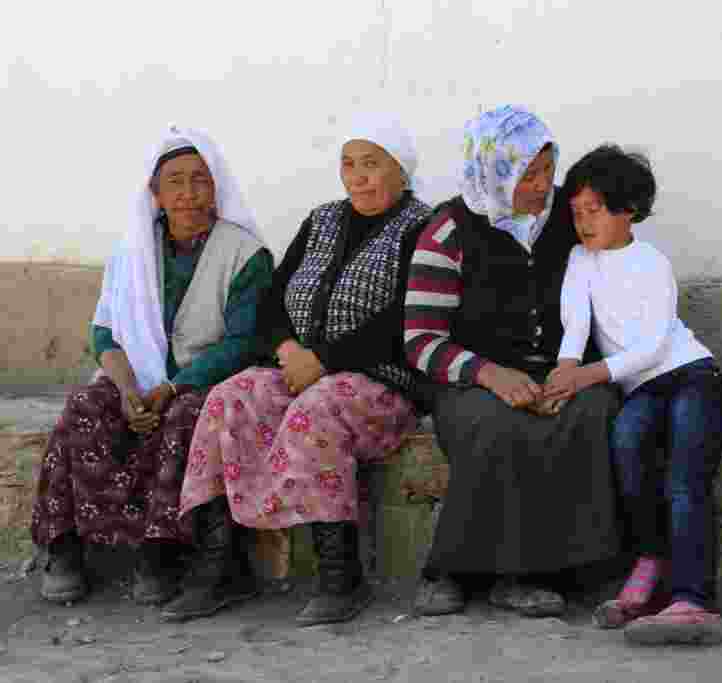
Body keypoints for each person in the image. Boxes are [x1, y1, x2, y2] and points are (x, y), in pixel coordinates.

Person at [169, 115, 433, 626]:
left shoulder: (424, 227)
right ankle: (221, 566)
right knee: (228, 399)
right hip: (300, 367)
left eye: (371, 164)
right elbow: (275, 298)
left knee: (319, 409)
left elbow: (408, 316)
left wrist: (325, 360)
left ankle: (341, 578)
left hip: (381, 382)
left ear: (400, 171)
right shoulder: (322, 220)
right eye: (349, 164)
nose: (357, 177)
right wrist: (289, 348)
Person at [31, 126, 273, 606]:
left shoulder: (245, 254)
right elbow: (104, 331)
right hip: (134, 379)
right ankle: (64, 547)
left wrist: (174, 386)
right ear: (156, 193)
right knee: (86, 405)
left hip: (202, 380)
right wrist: (125, 388)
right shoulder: (132, 250)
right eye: (176, 181)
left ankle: (157, 554)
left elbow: (245, 340)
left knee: (187, 417)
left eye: (200, 180)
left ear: (216, 186)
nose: (188, 193)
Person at [404, 106, 622, 618]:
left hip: (563, 368)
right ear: (492, 168)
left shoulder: (570, 222)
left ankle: (563, 572)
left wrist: (571, 372)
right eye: (527, 173)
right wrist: (489, 373)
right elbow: (421, 341)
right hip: (471, 379)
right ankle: (462, 572)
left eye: (548, 169)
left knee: (591, 413)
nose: (543, 185)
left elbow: (612, 288)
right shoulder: (447, 231)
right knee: (497, 424)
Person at [544, 145, 722, 645]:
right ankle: (650, 572)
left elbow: (654, 344)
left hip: (691, 376)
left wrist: (587, 375)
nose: (584, 223)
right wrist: (564, 373)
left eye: (596, 210)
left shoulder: (652, 262)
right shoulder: (579, 259)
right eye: (577, 212)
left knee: (684, 479)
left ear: (628, 209)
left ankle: (694, 601)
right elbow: (575, 323)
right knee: (627, 450)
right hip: (641, 388)